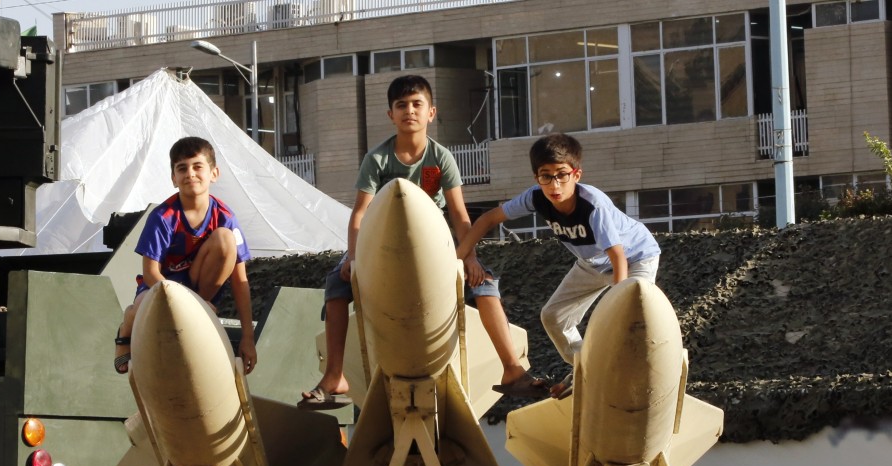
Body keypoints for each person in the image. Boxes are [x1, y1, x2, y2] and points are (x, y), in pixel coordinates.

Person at [297, 74, 539, 409]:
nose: (409, 110)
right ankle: (335, 374)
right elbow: (359, 214)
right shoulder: (377, 159)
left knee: (486, 284)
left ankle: (512, 368)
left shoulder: (441, 159)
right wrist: (353, 257)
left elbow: (458, 213)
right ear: (390, 115)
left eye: (416, 104)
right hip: (377, 239)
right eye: (401, 105)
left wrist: (468, 256)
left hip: (433, 237)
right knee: (336, 286)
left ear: (431, 112)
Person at [455, 132, 661, 398]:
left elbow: (618, 257)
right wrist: (458, 258)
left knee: (628, 318)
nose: (555, 185)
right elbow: (487, 219)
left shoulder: (592, 206)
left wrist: (617, 306)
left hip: (635, 258)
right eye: (546, 176)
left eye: (562, 175)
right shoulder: (535, 197)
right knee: (553, 316)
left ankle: (638, 371)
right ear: (537, 178)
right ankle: (585, 366)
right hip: (592, 263)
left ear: (576, 175)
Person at [113, 136, 256, 375]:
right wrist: (181, 301)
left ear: (214, 173)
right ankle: (127, 324)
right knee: (141, 307)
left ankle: (196, 311)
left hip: (200, 288)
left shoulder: (225, 217)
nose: (190, 173)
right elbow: (150, 272)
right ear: (173, 178)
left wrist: (248, 338)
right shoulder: (163, 216)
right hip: (162, 287)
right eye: (182, 168)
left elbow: (240, 280)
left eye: (197, 166)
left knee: (225, 239)